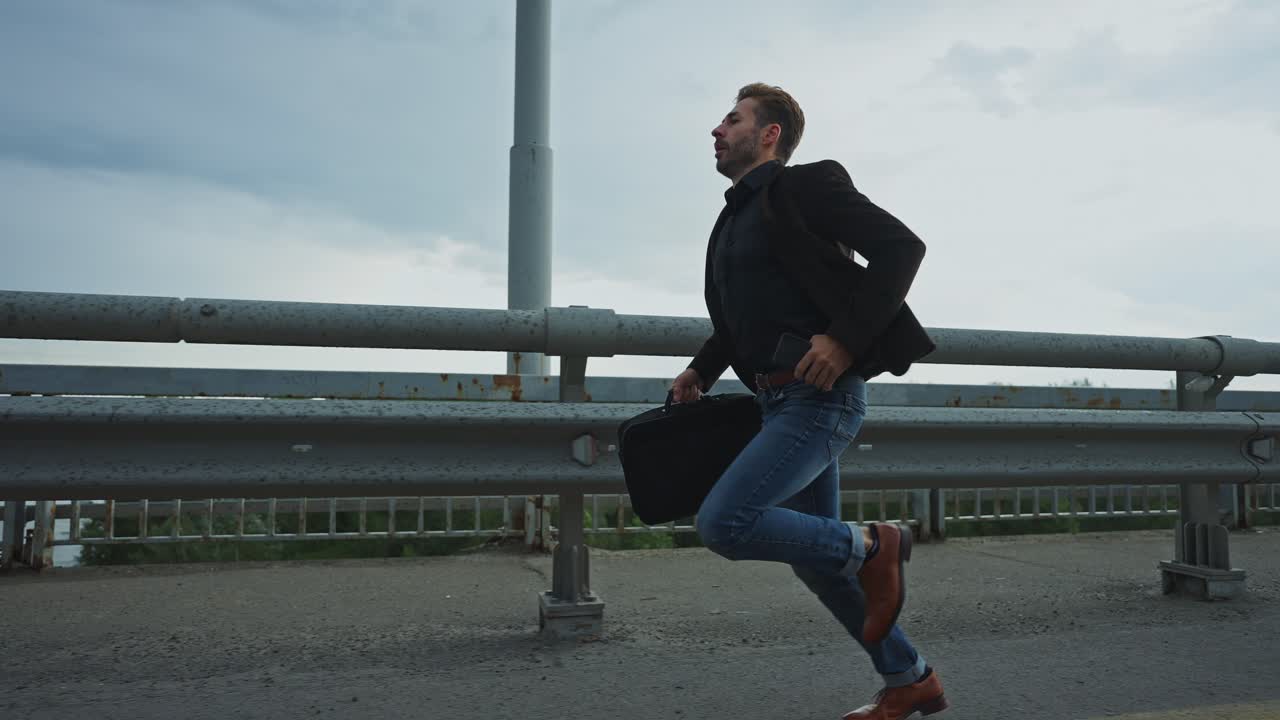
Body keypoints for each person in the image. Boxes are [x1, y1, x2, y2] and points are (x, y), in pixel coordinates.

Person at [670, 83, 944, 720]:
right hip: (776, 401)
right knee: (820, 564)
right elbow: (751, 312)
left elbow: (903, 248)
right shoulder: (736, 215)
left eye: (731, 120)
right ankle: (909, 679)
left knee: (725, 522)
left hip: (819, 397)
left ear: (769, 135)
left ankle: (876, 546)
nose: (716, 130)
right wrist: (702, 368)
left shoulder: (806, 187)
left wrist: (846, 341)